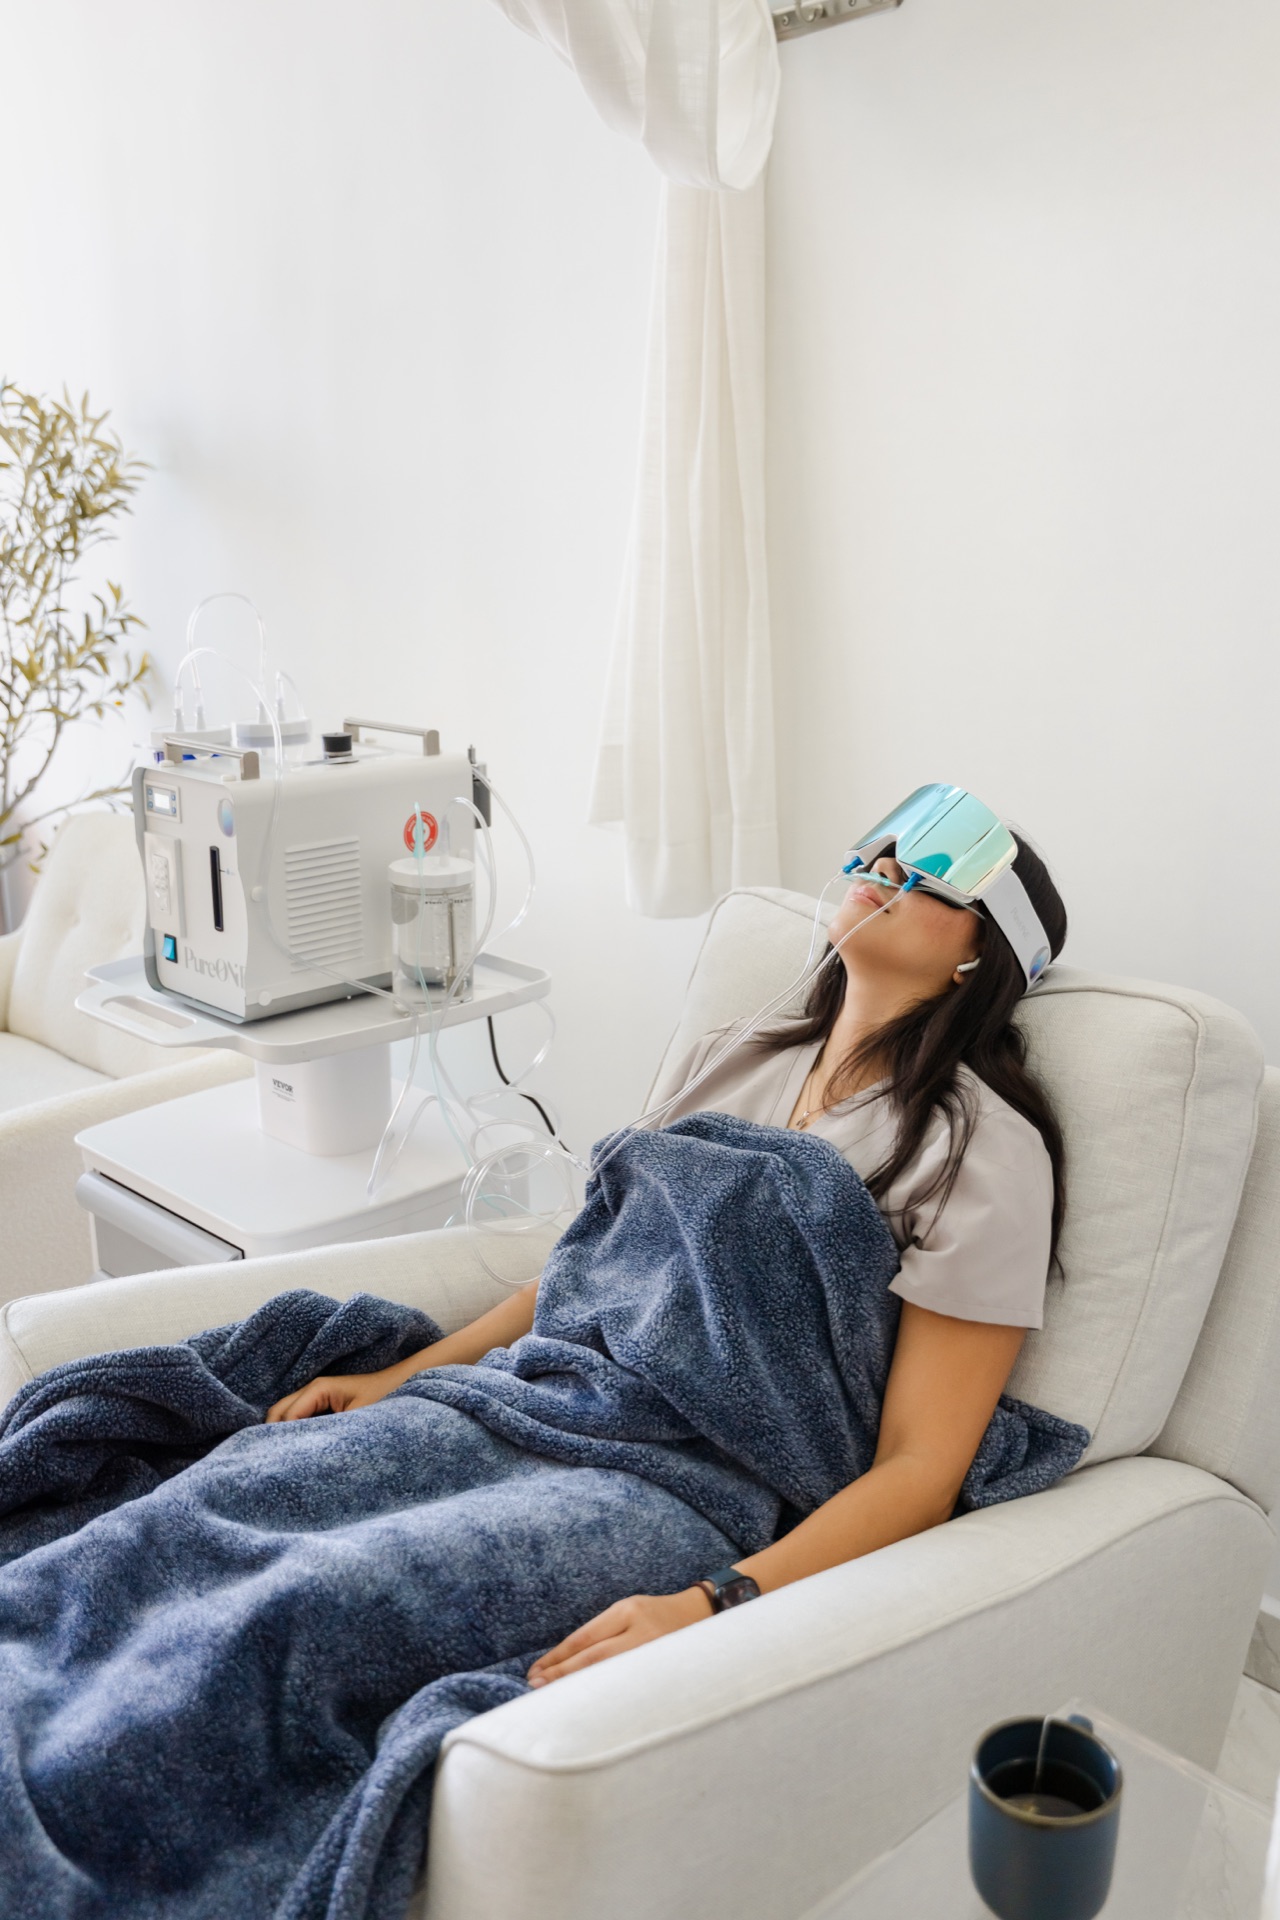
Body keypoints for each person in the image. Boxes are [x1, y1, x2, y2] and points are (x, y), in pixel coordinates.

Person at [268, 829, 1068, 1692]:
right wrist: (403, 1377)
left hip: (696, 1483)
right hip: (545, 1398)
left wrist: (713, 1603)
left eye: (928, 880)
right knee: (260, 1497)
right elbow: (595, 1268)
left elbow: (921, 1468)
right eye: (878, 858)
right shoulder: (728, 1054)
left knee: (325, 1602)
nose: (883, 876)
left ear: (979, 953)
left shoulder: (983, 1152)